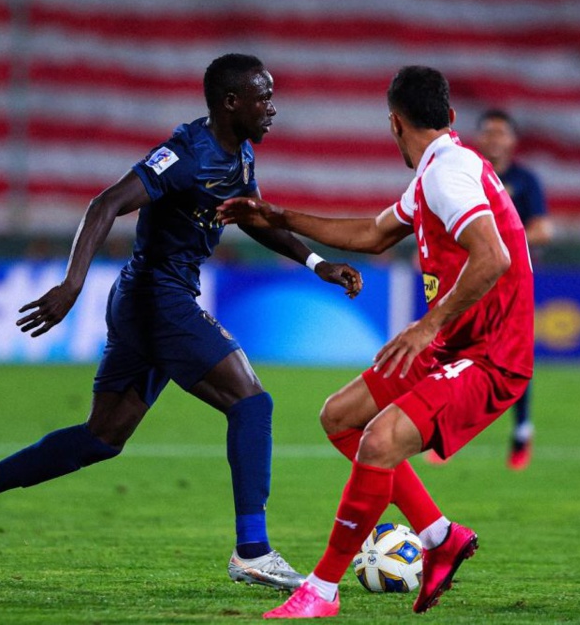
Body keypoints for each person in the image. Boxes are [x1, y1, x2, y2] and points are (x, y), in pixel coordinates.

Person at [0, 54, 363, 591]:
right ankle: (253, 551)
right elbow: (105, 204)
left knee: (102, 437)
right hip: (157, 298)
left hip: (148, 301)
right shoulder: (185, 155)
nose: (273, 108)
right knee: (252, 403)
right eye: (264, 98)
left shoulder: (240, 153)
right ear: (232, 102)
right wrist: (72, 284)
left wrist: (317, 264)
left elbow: (252, 217)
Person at [218, 65, 534, 618]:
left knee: (380, 440)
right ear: (450, 116)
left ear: (394, 123)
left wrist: (427, 325)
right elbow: (373, 233)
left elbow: (493, 257)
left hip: (489, 356)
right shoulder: (440, 169)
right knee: (341, 417)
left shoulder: (447, 175)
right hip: (454, 346)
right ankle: (439, 536)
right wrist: (277, 215)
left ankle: (321, 589)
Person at [473, 108, 552, 470]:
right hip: (471, 278)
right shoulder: (468, 174)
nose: (494, 138)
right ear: (479, 137)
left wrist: (500, 242)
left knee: (513, 359)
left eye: (501, 132)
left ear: (513, 140)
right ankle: (443, 432)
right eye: (488, 132)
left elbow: (543, 230)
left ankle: (521, 429)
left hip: (512, 281)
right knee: (457, 353)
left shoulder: (525, 180)